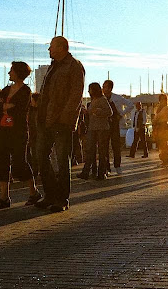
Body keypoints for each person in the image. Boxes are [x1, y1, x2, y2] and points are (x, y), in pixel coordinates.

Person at [35, 36, 85, 213]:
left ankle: (62, 198)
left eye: (51, 47)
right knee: (41, 155)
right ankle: (50, 194)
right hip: (46, 119)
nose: (49, 50)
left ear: (61, 47)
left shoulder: (74, 66)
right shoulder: (53, 67)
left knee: (63, 160)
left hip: (61, 121)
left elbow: (75, 95)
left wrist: (66, 118)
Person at [0, 62, 41, 209]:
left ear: (18, 72)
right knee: (2, 161)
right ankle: (4, 197)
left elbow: (20, 109)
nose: (9, 73)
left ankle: (34, 192)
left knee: (20, 162)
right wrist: (6, 107)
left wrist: (5, 108)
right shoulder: (6, 90)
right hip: (3, 129)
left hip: (18, 131)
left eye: (11, 71)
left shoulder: (26, 91)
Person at [78, 83, 113, 180]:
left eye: (90, 89)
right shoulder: (93, 100)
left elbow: (110, 112)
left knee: (102, 151)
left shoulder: (102, 100)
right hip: (93, 128)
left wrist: (98, 112)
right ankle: (86, 171)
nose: (89, 91)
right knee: (90, 150)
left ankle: (101, 173)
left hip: (102, 128)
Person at [103, 80, 134, 174]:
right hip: (105, 124)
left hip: (115, 124)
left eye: (105, 87)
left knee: (115, 145)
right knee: (104, 146)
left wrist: (121, 114)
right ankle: (106, 167)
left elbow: (130, 105)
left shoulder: (117, 98)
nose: (103, 89)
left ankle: (117, 166)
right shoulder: (102, 98)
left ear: (110, 88)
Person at [153, 93, 168, 166]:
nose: (161, 101)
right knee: (161, 144)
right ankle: (163, 159)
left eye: (163, 99)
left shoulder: (166, 108)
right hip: (159, 126)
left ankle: (166, 160)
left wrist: (155, 119)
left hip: (163, 126)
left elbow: (158, 116)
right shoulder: (159, 108)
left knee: (164, 144)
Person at [28, 92, 41, 178]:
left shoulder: (38, 112)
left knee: (37, 154)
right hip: (33, 134)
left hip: (37, 134)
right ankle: (35, 171)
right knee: (33, 154)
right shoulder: (31, 111)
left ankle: (37, 171)